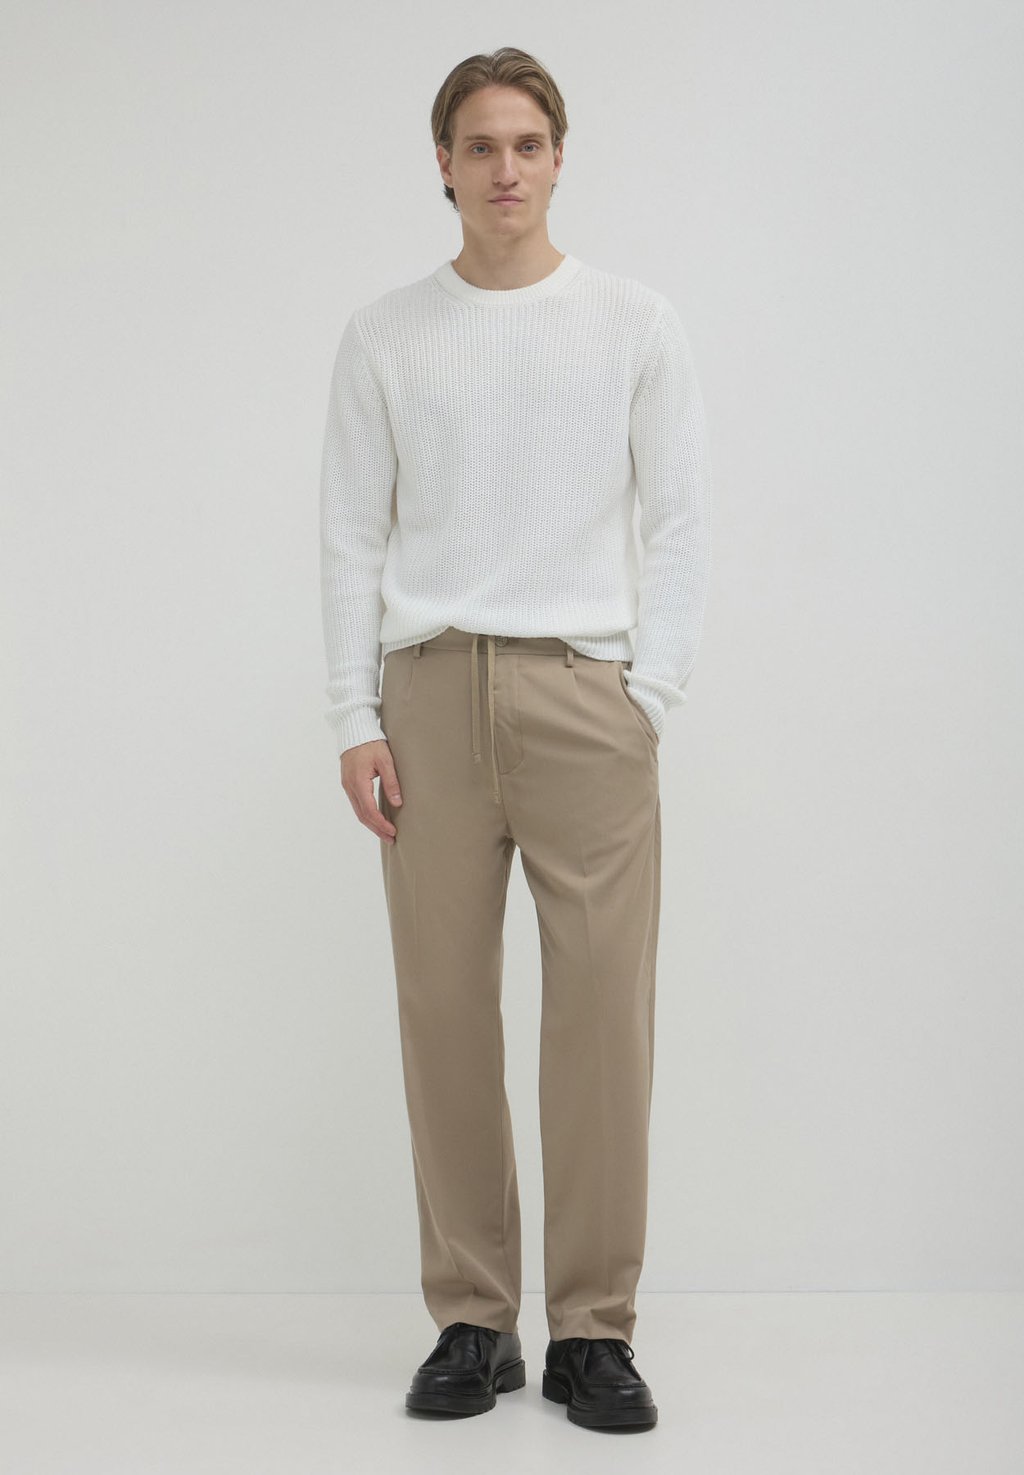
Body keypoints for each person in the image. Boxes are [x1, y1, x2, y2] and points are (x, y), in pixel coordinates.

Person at [318, 46, 711, 1431]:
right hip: (427, 697)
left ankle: (593, 1329)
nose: (505, 169)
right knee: (442, 1012)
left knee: (601, 1019)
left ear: (558, 158)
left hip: (585, 697)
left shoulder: (633, 322)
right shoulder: (386, 335)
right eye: (479, 146)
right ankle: (474, 1319)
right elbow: (351, 533)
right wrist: (354, 714)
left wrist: (649, 696)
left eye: (527, 144)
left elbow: (680, 521)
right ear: (442, 163)